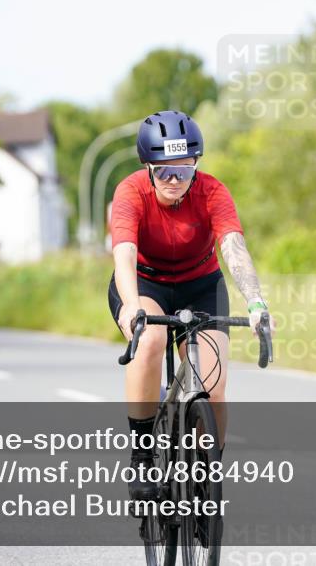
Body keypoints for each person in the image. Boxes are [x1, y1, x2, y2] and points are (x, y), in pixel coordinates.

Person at [107, 110, 272, 500]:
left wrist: (256, 303)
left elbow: (233, 247)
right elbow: (125, 254)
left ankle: (206, 471)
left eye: (184, 169)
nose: (174, 180)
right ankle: (143, 456)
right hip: (145, 282)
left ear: (196, 164)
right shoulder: (130, 192)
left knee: (213, 387)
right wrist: (132, 306)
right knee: (150, 341)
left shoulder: (212, 191)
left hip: (201, 284)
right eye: (163, 170)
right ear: (147, 166)